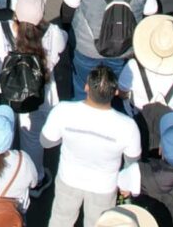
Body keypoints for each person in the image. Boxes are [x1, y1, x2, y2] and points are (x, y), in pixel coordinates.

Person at [38, 68, 137, 227]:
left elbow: (46, 142)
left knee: (60, 220)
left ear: (86, 87)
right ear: (116, 92)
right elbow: (132, 161)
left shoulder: (63, 111)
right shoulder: (128, 126)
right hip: (104, 186)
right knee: (99, 224)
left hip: (68, 178)